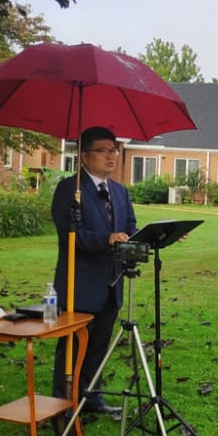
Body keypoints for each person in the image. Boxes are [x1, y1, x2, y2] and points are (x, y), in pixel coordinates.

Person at [51, 126, 137, 416]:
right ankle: (64, 407)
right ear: (84, 156)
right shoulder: (69, 189)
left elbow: (130, 229)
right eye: (103, 150)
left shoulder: (120, 191)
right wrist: (107, 239)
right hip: (80, 285)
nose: (111, 156)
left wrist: (160, 236)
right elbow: (71, 235)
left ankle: (91, 400)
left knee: (98, 348)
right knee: (72, 349)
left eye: (114, 150)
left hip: (111, 286)